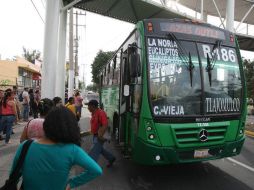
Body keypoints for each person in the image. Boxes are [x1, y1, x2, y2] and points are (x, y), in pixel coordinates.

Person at [10, 107, 102, 189]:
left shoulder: (25, 146)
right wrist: (71, 183)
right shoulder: (72, 150)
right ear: (71, 127)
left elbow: (14, 175)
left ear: (46, 124)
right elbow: (96, 170)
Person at [88, 99, 116, 167]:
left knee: (93, 151)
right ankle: (111, 158)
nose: (88, 108)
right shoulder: (94, 113)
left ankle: (91, 167)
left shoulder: (101, 113)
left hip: (99, 136)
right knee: (100, 150)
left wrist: (100, 136)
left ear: (93, 106)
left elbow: (105, 124)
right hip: (96, 135)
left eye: (89, 106)